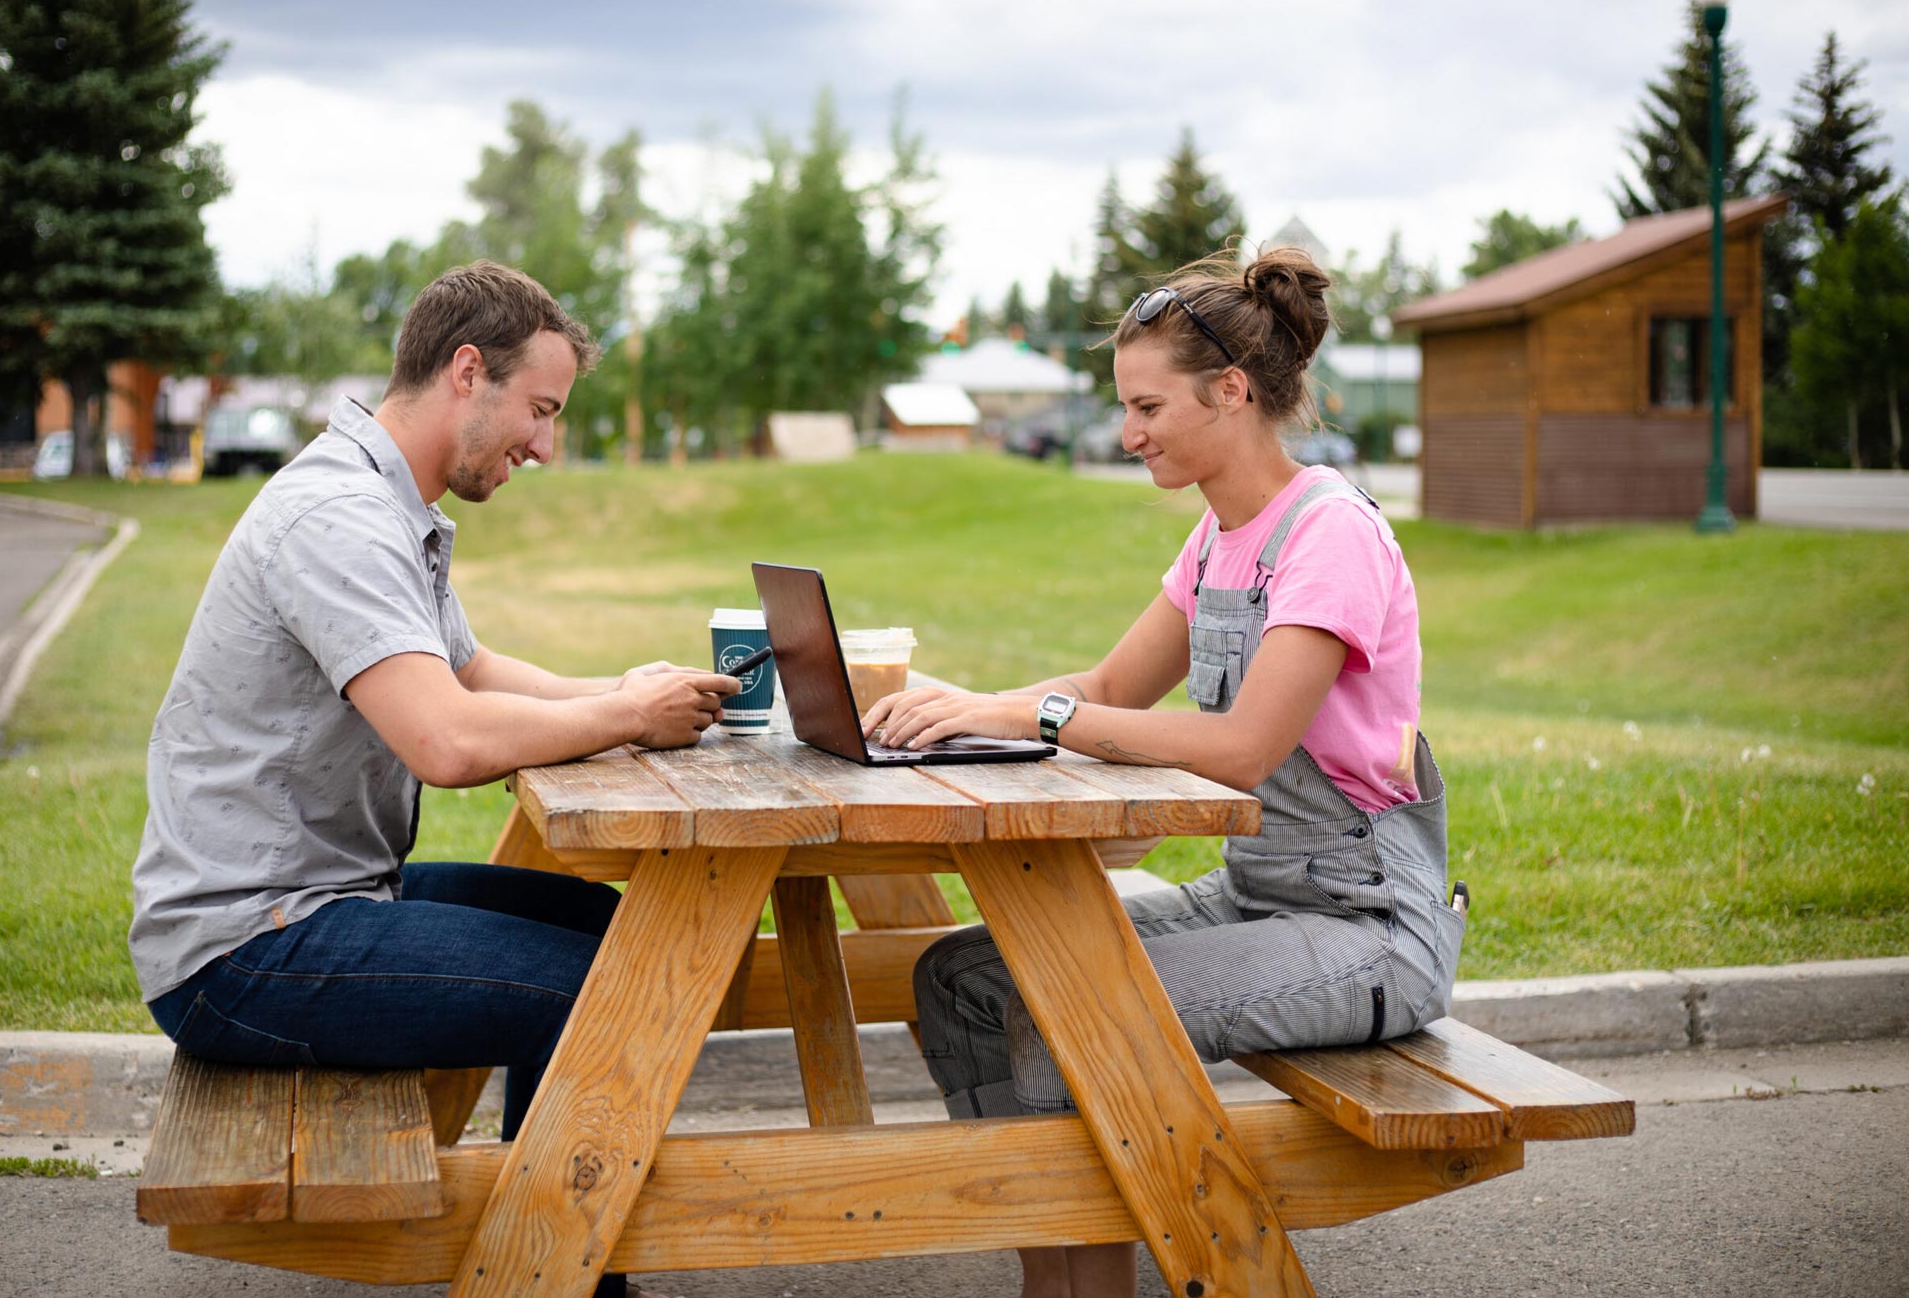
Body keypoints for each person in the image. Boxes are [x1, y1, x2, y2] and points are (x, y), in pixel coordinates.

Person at [863, 247, 1462, 1298]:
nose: (1127, 432)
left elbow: (1242, 751)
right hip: (1256, 896)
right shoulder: (1220, 539)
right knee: (956, 982)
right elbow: (1108, 684)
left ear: (1229, 392)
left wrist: (1035, 713)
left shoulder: (1329, 535)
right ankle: (1055, 1272)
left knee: (1060, 1011)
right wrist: (962, 706)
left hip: (1367, 927)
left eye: (1145, 407)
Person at [129, 260, 733, 1298]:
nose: (543, 444)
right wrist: (625, 716)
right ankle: (552, 1273)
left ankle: (549, 1247)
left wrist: (626, 688)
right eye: (540, 410)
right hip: (245, 947)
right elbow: (447, 742)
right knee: (608, 994)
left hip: (325, 899)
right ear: (467, 370)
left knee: (619, 935)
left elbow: (471, 671)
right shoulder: (339, 520)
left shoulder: (378, 499)